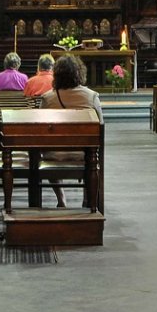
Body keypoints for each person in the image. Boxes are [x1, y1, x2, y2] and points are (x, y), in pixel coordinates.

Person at [40, 55, 103, 208]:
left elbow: (40, 127)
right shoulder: (91, 97)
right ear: (79, 73)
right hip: (85, 154)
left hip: (54, 154)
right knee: (92, 151)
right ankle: (88, 199)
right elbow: (100, 126)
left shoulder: (48, 98)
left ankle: (61, 198)